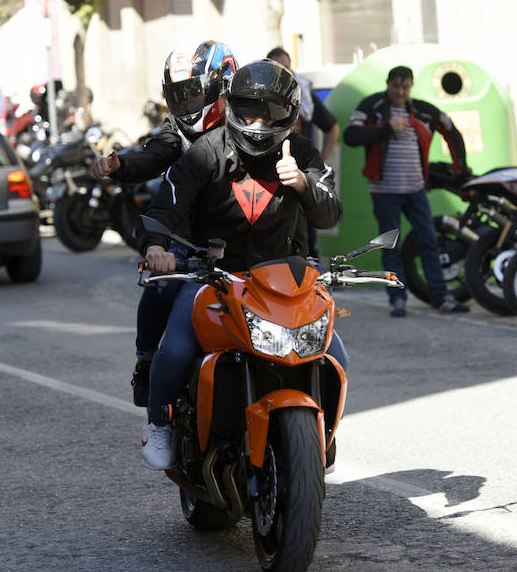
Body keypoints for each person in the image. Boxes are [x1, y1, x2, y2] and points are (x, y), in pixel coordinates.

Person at [137, 59, 344, 470]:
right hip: (215, 278)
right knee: (176, 349)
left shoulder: (302, 153)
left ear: (288, 114)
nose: (256, 121)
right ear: (230, 106)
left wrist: (302, 184)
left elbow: (330, 214)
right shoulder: (205, 152)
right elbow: (163, 209)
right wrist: (154, 247)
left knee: (337, 358)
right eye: (248, 108)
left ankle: (322, 436)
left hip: (287, 283)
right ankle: (158, 422)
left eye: (268, 111)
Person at [90, 40, 238, 407]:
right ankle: (145, 360)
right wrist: (119, 165)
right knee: (160, 284)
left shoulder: (247, 125)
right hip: (189, 237)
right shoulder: (179, 130)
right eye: (179, 95)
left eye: (192, 93)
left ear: (221, 86)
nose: (186, 103)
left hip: (246, 237)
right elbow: (151, 157)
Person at [343, 65, 470, 317]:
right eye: (395, 86)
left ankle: (440, 298)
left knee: (429, 242)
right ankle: (397, 300)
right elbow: (350, 135)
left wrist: (461, 168)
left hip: (416, 190)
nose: (400, 92)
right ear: (387, 84)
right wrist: (387, 128)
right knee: (390, 246)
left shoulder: (422, 110)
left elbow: (451, 129)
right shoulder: (373, 105)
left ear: (410, 87)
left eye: (405, 87)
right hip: (384, 191)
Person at [266, 46, 340, 259]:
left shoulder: (302, 94)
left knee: (305, 236)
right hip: (268, 175)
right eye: (277, 69)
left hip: (300, 173)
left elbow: (332, 127)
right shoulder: (259, 97)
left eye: (287, 69)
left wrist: (322, 161)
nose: (284, 74)